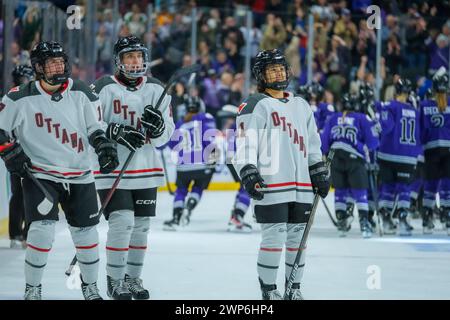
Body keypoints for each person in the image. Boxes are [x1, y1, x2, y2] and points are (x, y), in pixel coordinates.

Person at [0, 41, 119, 300]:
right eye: (51, 62)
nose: (59, 66)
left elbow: (95, 128)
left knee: (87, 234)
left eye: (61, 61)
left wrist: (103, 146)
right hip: (41, 173)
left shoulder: (82, 92)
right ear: (38, 67)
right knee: (41, 230)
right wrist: (7, 149)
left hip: (80, 174)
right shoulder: (18, 97)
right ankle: (33, 289)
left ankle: (90, 288)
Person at [233, 49, 330, 300]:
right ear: (260, 75)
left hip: (301, 187)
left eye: (281, 68)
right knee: (274, 236)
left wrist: (317, 169)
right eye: (271, 69)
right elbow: (245, 143)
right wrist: (248, 170)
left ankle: (294, 288)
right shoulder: (254, 104)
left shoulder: (301, 105)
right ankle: (269, 290)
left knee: (298, 239)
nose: (278, 73)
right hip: (272, 184)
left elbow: (313, 142)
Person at [91, 36, 174, 299]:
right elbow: (88, 124)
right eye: (129, 56)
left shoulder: (157, 88)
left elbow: (165, 136)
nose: (135, 61)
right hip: (112, 170)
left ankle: (133, 279)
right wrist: (112, 130)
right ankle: (114, 281)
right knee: (122, 223)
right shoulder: (102, 87)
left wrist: (159, 128)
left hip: (146, 169)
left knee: (140, 227)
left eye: (138, 56)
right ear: (118, 61)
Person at [321, 93, 379, 238]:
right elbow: (373, 142)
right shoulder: (361, 118)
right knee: (360, 192)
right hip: (354, 158)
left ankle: (342, 220)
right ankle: (365, 222)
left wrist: (324, 155)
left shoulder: (333, 118)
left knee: (340, 191)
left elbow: (324, 141)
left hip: (335, 158)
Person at [163, 95, 217, 231]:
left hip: (183, 166)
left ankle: (176, 218)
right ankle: (189, 207)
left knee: (180, 191)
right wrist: (214, 158)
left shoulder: (180, 123)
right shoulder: (206, 118)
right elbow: (210, 140)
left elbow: (171, 144)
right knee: (198, 188)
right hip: (202, 164)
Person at [376, 78, 421, 236]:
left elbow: (386, 128)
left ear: (395, 91)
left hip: (388, 154)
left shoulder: (389, 106)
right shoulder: (415, 111)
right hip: (408, 156)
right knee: (404, 189)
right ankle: (402, 218)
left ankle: (386, 217)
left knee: (387, 187)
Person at [419, 67, 450, 235]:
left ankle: (427, 218)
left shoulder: (424, 105)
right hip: (448, 150)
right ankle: (447, 215)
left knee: (431, 186)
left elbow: (421, 131)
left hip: (430, 150)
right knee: (447, 185)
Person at [8, 64, 34, 249]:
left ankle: (26, 234)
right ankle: (17, 234)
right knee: (19, 193)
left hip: (34, 153)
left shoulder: (35, 99)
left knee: (30, 193)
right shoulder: (11, 99)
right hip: (16, 153)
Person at [217, 104, 252, 232]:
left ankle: (235, 216)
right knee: (247, 188)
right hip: (239, 160)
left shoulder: (234, 127)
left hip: (231, 161)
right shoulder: (242, 126)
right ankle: (237, 216)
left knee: (243, 186)